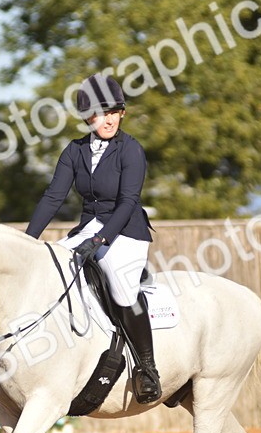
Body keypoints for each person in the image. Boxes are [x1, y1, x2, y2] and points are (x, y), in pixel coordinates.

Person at [25, 74, 161, 404]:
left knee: (120, 285)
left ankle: (147, 368)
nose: (110, 119)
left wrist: (101, 240)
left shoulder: (131, 150)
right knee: (50, 267)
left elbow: (129, 202)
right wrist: (27, 243)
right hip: (88, 228)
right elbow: (53, 198)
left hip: (126, 231)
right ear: (88, 118)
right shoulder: (74, 151)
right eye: (102, 113)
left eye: (115, 111)